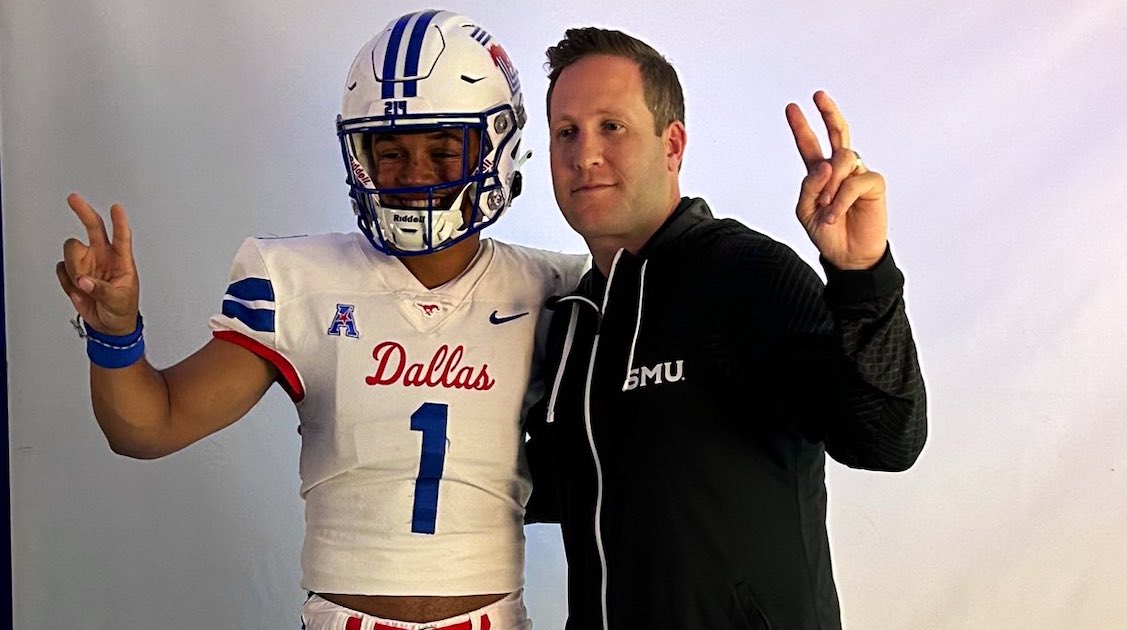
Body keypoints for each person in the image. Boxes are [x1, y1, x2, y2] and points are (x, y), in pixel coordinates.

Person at [56, 10, 587, 630]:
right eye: (389, 151)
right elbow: (150, 427)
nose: (414, 174)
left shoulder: (558, 289)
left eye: (443, 150)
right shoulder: (297, 278)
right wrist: (115, 335)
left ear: (496, 148)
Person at [522, 27, 928, 629]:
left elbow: (889, 438)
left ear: (673, 143)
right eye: (566, 132)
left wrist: (863, 276)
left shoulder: (745, 275)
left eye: (612, 126)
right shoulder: (575, 318)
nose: (585, 155)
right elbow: (569, 488)